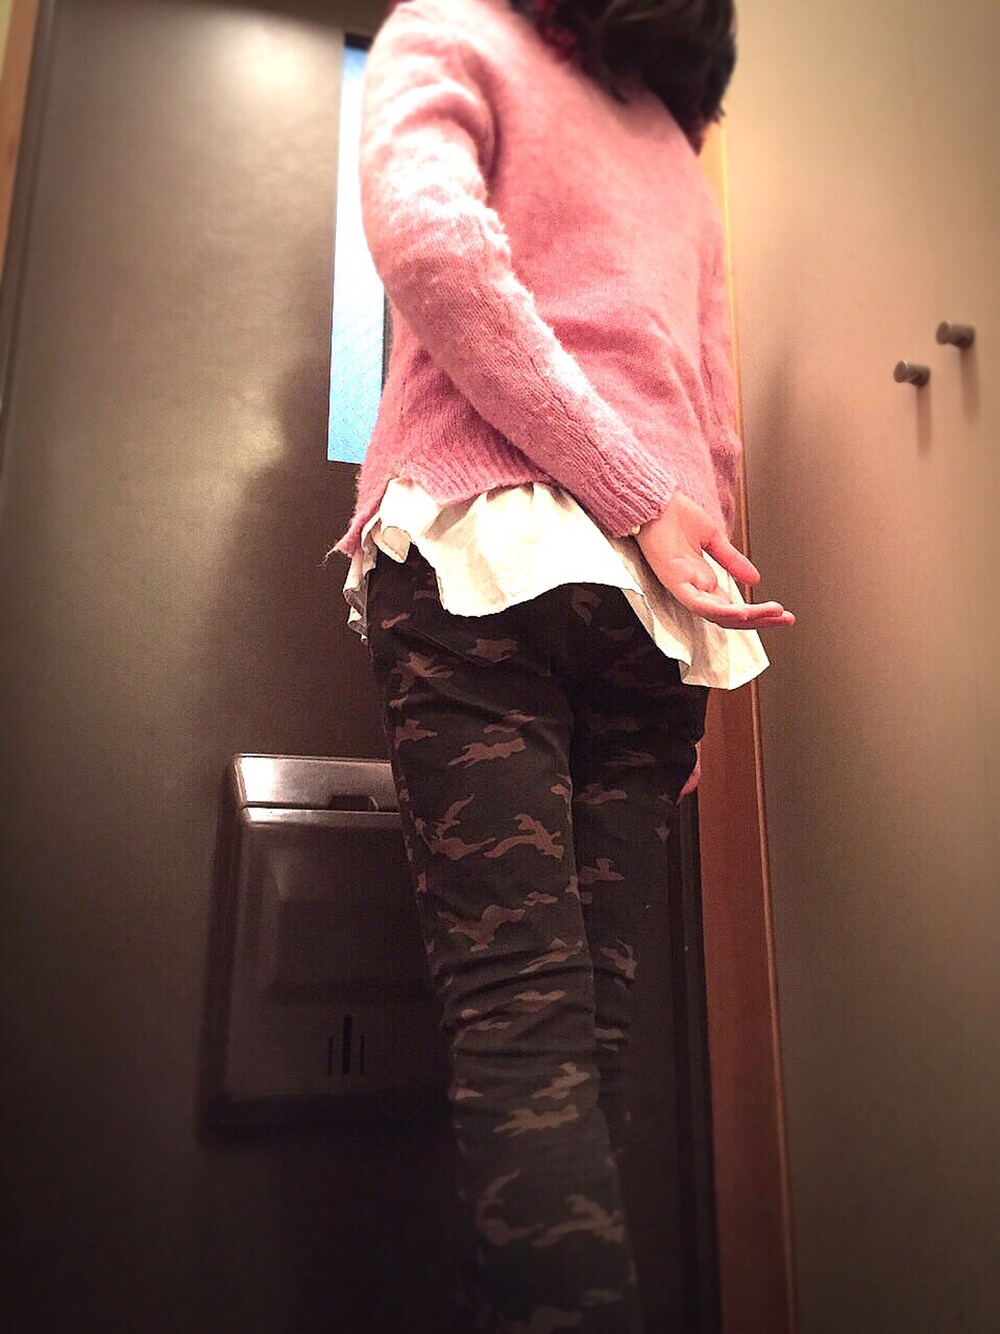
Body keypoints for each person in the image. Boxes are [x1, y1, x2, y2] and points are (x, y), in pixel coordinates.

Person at [331, 0, 794, 1328]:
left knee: (523, 1022)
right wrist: (688, 610)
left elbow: (432, 245)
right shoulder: (677, 151)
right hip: (648, 602)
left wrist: (634, 505)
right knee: (589, 1034)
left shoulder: (449, 27)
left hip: (484, 549)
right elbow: (710, 422)